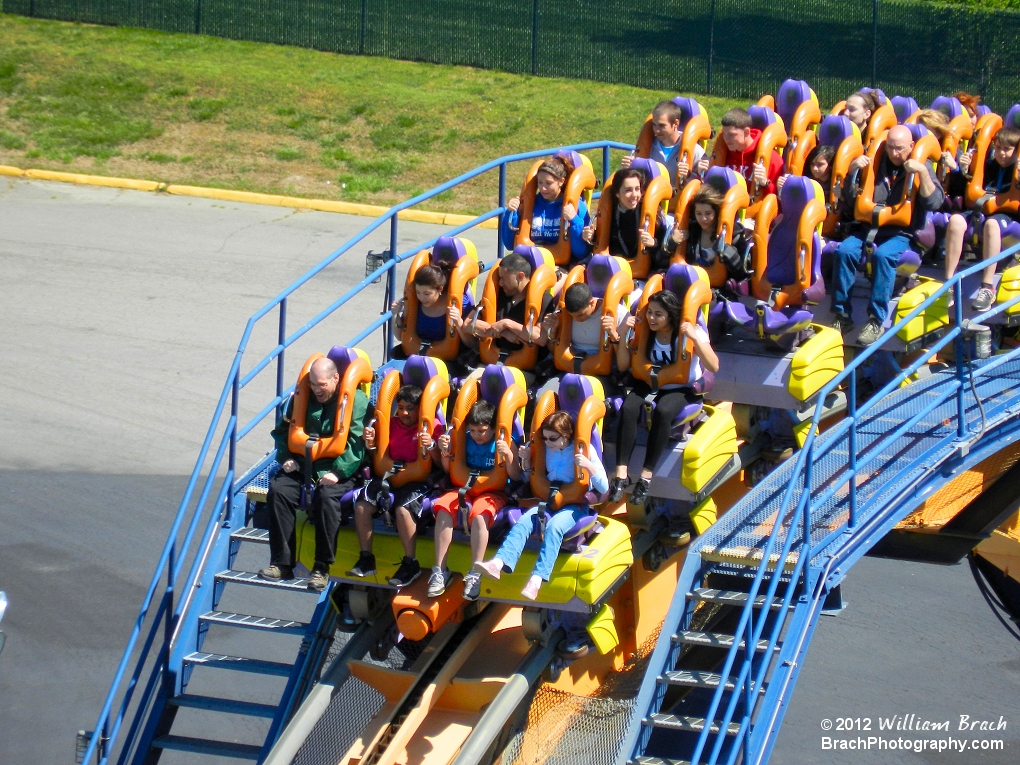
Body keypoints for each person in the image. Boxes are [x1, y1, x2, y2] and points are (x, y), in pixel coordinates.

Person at [259, 357, 368, 592]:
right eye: (314, 384)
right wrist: (286, 457)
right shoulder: (301, 397)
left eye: (322, 385)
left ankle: (321, 568)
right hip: (301, 464)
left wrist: (338, 472)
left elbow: (356, 444)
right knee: (278, 491)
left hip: (337, 468)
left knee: (326, 498)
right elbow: (282, 431)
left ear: (335, 378)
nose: (317, 390)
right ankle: (281, 564)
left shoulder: (355, 400)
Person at [830, 124, 945, 345]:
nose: (895, 153)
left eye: (900, 148)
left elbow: (935, 202)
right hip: (867, 228)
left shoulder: (922, 165)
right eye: (891, 147)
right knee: (844, 251)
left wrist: (921, 171)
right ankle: (842, 315)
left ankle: (876, 320)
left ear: (911, 146)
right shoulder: (874, 163)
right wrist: (853, 172)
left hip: (900, 233)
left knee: (883, 256)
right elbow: (851, 204)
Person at [475, 411, 608, 600]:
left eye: (553, 439)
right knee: (524, 522)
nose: (548, 443)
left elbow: (603, 486)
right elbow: (525, 477)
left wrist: (588, 466)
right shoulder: (545, 450)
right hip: (548, 500)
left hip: (574, 505)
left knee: (554, 527)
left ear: (566, 435)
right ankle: (498, 563)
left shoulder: (584, 451)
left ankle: (537, 580)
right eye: (545, 438)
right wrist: (527, 460)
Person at [609, 289, 719, 505]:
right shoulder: (644, 332)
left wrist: (695, 338)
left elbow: (713, 365)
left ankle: (646, 476)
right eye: (649, 312)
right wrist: (623, 334)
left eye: (658, 314)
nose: (651, 318)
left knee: (663, 410)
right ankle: (621, 475)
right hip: (650, 382)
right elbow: (623, 365)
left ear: (671, 315)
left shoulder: (690, 331)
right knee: (629, 408)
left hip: (680, 387)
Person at [347, 384, 442, 587]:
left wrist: (432, 446)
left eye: (411, 408)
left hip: (417, 479)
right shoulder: (389, 424)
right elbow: (377, 455)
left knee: (402, 509)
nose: (405, 413)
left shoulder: (431, 426)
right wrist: (371, 443)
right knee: (363, 505)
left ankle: (410, 562)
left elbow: (442, 463)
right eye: (401, 408)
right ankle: (366, 559)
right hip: (390, 476)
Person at [429, 401, 518, 600]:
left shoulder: (503, 441)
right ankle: (439, 570)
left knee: (479, 515)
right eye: (473, 430)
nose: (477, 435)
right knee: (443, 507)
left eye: (483, 431)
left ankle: (475, 573)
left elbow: (517, 475)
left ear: (493, 428)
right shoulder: (464, 439)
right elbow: (447, 469)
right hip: (465, 488)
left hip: (492, 491)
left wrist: (509, 455)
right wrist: (445, 451)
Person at [943, 126, 1020, 310]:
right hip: (980, 210)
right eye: (998, 148)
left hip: (1006, 215)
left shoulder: (1016, 170)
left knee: (992, 224)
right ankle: (949, 283)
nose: (1001, 153)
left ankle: (987, 286)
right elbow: (960, 192)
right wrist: (962, 170)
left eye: (1007, 149)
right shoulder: (988, 166)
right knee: (955, 220)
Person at [459, 251, 555, 371]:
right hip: (491, 363)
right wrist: (502, 332)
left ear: (520, 276)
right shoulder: (498, 295)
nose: (500, 283)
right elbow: (468, 324)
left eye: (504, 278)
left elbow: (540, 337)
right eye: (499, 278)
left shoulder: (543, 300)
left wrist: (507, 324)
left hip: (525, 369)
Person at [501, 156, 590, 265]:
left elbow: (581, 252)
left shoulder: (576, 206)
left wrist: (574, 220)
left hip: (562, 264)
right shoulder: (530, 204)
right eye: (540, 182)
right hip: (531, 260)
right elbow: (508, 244)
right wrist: (511, 212)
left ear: (561, 181)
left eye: (548, 183)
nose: (543, 188)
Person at [580, 168, 668, 274]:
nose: (635, 195)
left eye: (637, 189)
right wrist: (592, 238)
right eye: (628, 190)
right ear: (617, 193)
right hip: (614, 270)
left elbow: (664, 259)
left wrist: (653, 244)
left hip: (645, 274)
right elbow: (603, 246)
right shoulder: (610, 214)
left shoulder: (652, 214)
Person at [391, 262, 473, 365]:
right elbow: (399, 336)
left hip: (449, 361)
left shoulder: (459, 304)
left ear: (440, 289)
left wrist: (459, 322)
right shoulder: (415, 304)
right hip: (418, 357)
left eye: (427, 294)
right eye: (418, 292)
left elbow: (472, 343)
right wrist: (395, 314)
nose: (421, 298)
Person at [666, 184, 749, 286]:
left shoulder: (733, 235)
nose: (703, 219)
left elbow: (743, 275)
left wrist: (730, 255)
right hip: (690, 282)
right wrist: (671, 243)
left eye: (708, 213)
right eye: (699, 214)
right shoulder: (691, 230)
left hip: (717, 289)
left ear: (716, 212)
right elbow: (660, 260)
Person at [696, 108, 783, 197]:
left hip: (754, 208)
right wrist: (703, 175)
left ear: (746, 132)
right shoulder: (722, 153)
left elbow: (779, 199)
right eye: (724, 135)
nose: (726, 140)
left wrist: (765, 183)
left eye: (731, 135)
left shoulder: (772, 158)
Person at [622, 99, 705, 189]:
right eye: (654, 125)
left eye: (662, 126)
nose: (657, 130)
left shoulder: (695, 150)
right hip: (653, 200)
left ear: (676, 123)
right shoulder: (647, 148)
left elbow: (704, 186)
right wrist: (628, 169)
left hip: (680, 200)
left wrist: (688, 175)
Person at [540, 281, 629, 359]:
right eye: (572, 316)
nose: (576, 320)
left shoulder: (618, 313)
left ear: (592, 303)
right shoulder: (563, 315)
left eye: (580, 315)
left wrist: (613, 334)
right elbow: (554, 352)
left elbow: (625, 360)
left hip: (602, 367)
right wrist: (552, 332)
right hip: (570, 364)